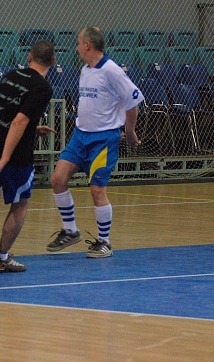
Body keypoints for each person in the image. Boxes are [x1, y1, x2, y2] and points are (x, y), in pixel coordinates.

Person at [46, 26, 144, 258]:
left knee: (97, 189)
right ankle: (70, 230)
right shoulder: (85, 70)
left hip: (103, 139)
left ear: (88, 45)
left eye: (79, 42)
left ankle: (104, 242)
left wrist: (129, 131)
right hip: (80, 136)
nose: (77, 47)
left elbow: (133, 101)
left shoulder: (111, 70)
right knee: (58, 179)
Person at [0, 40, 56, 275]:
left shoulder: (10, 75)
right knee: (20, 204)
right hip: (15, 156)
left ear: (29, 57)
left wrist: (33, 129)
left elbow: (6, 112)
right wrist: (5, 159)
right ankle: (1, 258)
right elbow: (18, 121)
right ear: (53, 61)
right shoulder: (43, 88)